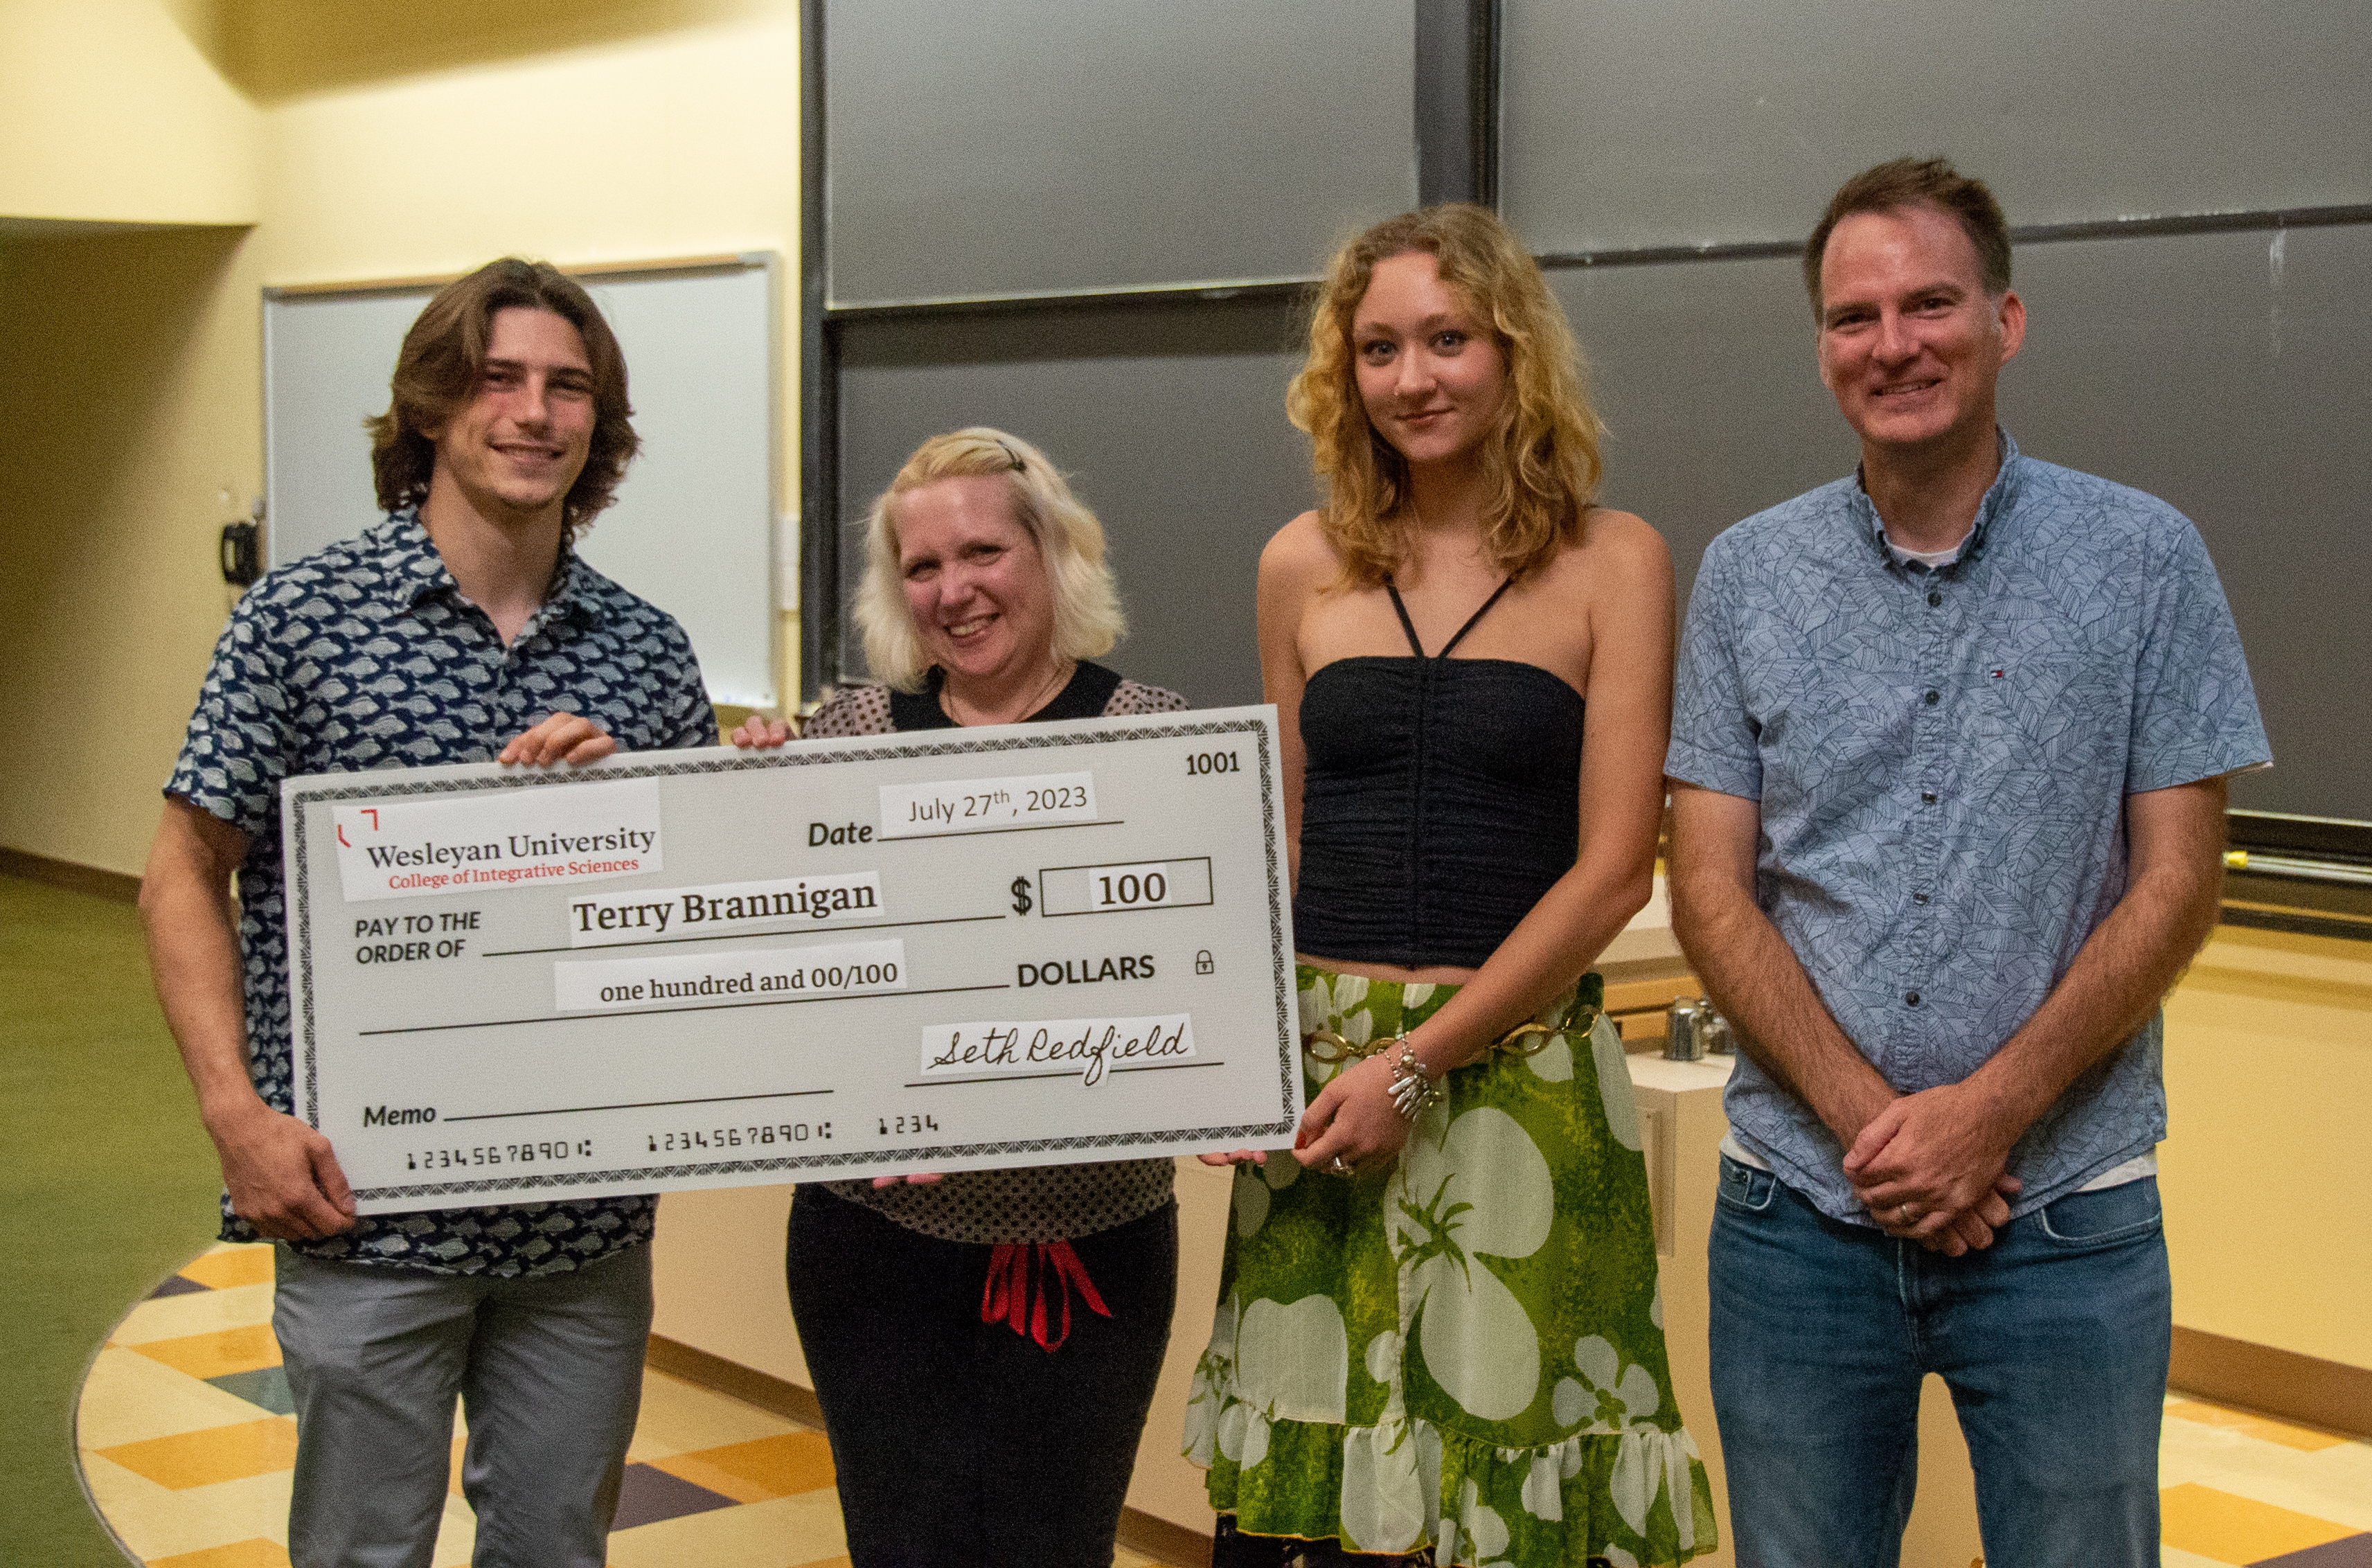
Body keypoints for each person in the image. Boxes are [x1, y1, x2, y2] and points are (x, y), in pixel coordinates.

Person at [1665, 157, 2271, 1565]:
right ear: (1823, 348)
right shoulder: (1748, 576)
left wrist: (1987, 1115)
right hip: (1800, 1219)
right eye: (1854, 317)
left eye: (1930, 303)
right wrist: (1883, 1130)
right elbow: (1708, 882)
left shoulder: (2145, 560)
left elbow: (2178, 879)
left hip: (2067, 1219)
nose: (1895, 344)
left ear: (2006, 321)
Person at [140, 258, 715, 1568]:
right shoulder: (303, 619)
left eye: (568, 386)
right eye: (499, 379)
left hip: (583, 1224)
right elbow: (182, 871)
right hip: (366, 1209)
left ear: (598, 422)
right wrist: (238, 1116)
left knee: (558, 1546)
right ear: (436, 409)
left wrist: (630, 816)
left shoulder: (648, 652)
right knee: (360, 1551)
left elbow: (690, 918)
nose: (534, 412)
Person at [1182, 204, 1716, 1567]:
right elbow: (1282, 850)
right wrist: (1236, 1057)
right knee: (1309, 1510)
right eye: (1378, 348)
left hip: (1513, 1082)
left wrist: (1415, 1064)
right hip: (1320, 1083)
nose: (1413, 377)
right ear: (1341, 373)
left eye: (1447, 339)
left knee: (1500, 1495)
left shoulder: (1618, 561)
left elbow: (1611, 873)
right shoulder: (1300, 564)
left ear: (1513, 352)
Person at [731, 427, 1186, 1568]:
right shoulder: (841, 742)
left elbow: (1197, 976)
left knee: (1056, 1547)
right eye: (922, 568)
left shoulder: (1161, 739)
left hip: (1093, 1241)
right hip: (872, 1246)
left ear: (1050, 554)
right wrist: (736, 807)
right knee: (902, 1545)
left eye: (982, 552)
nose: (954, 591)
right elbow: (782, 990)